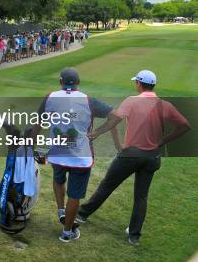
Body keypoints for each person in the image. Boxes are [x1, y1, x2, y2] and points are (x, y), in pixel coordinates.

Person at [77, 70, 191, 244]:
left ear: (139, 84)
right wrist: (162, 142)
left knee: (107, 186)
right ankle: (134, 236)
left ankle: (82, 215)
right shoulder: (164, 105)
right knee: (141, 196)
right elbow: (184, 126)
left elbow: (115, 119)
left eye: (136, 82)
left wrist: (98, 132)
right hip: (152, 157)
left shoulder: (132, 101)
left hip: (130, 155)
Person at [31, 67, 117, 242]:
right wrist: (98, 132)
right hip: (81, 157)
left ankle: (61, 210)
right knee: (75, 195)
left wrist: (30, 146)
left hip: (57, 153)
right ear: (78, 83)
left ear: (60, 82)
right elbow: (116, 116)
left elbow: (37, 124)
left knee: (58, 179)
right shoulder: (88, 100)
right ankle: (67, 232)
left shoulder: (50, 97)